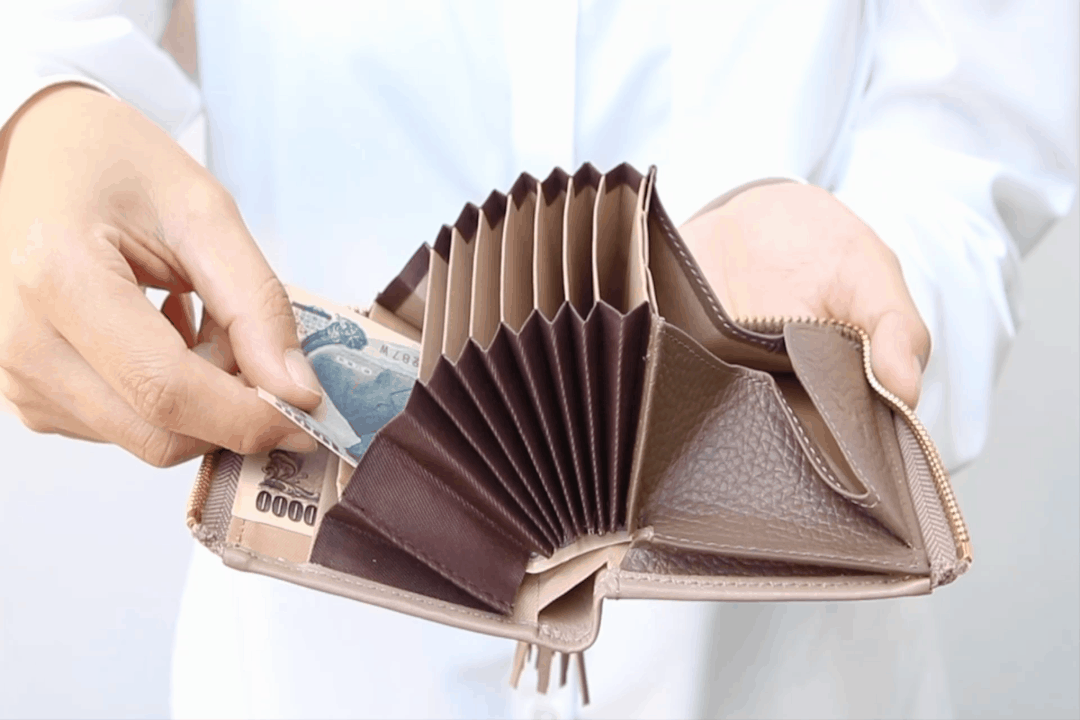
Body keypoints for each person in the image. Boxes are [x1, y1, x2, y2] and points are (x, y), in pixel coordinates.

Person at [0, 1, 1074, 717]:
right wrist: (34, 115)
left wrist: (873, 286)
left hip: (772, 667)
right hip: (313, 657)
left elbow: (979, 118)